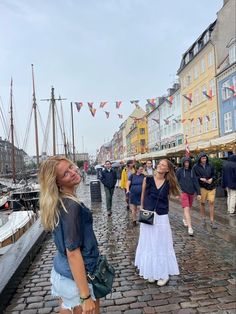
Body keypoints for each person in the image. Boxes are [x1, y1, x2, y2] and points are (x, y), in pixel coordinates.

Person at [39, 156, 100, 314]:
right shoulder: (71, 206)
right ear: (58, 183)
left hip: (62, 273)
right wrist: (85, 297)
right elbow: (72, 252)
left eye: (71, 167)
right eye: (66, 174)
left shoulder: (58, 202)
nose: (73, 172)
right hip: (76, 279)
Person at [135, 159, 180, 286]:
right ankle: (151, 272)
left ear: (167, 170)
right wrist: (142, 209)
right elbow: (143, 196)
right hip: (148, 215)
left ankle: (162, 273)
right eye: (159, 164)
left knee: (161, 243)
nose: (160, 166)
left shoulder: (169, 182)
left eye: (163, 165)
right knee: (149, 243)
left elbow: (175, 194)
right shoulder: (147, 180)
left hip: (161, 215)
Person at [176, 157, 201, 236]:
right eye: (185, 162)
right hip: (183, 192)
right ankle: (190, 227)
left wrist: (198, 193)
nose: (186, 164)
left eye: (188, 162)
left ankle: (184, 219)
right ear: (183, 163)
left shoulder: (192, 171)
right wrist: (177, 192)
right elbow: (176, 181)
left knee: (188, 208)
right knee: (186, 209)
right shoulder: (179, 171)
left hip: (191, 192)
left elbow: (196, 182)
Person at [193, 152, 217, 229]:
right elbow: (193, 177)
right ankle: (203, 218)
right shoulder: (195, 167)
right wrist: (200, 178)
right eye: (203, 158)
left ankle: (212, 221)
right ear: (200, 159)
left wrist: (212, 179)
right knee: (202, 203)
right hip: (202, 187)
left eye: (205, 158)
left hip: (211, 186)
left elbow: (215, 174)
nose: (204, 160)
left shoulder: (210, 165)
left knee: (211, 202)